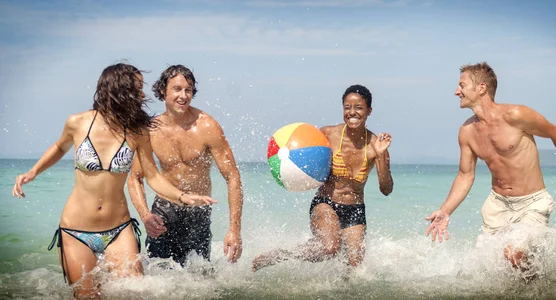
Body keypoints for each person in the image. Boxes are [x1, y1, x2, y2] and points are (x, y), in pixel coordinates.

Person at [12, 63, 215, 299]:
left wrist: (182, 196)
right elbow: (59, 147)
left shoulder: (138, 132)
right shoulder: (78, 122)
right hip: (76, 230)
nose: (142, 94)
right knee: (88, 296)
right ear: (119, 89)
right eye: (137, 88)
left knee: (133, 293)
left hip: (119, 230)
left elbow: (153, 176)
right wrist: (33, 172)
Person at [425, 62, 556, 276]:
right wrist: (445, 210)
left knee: (513, 255)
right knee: (494, 268)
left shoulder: (516, 115)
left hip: (532, 202)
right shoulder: (466, 131)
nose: (457, 91)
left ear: (481, 88)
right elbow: (465, 175)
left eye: (462, 85)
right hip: (497, 206)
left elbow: (555, 133)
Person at [252, 84, 393, 272]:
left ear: (369, 111)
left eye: (359, 107)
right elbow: (303, 151)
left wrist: (381, 155)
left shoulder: (377, 145)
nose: (352, 112)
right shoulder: (328, 134)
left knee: (355, 268)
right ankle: (280, 256)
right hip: (326, 203)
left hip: (355, 210)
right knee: (329, 248)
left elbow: (386, 189)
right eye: (347, 107)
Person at [128, 64, 243, 267]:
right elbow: (135, 178)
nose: (183, 95)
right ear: (163, 90)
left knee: (198, 279)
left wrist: (234, 230)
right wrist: (145, 216)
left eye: (188, 90)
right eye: (177, 89)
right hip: (163, 210)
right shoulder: (151, 130)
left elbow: (232, 176)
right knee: (159, 277)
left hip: (198, 212)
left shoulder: (207, 126)